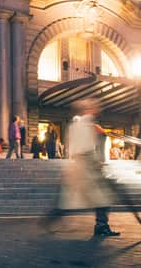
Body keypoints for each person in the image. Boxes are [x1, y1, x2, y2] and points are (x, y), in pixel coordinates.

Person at [47, 99, 120, 237]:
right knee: (103, 197)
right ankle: (101, 226)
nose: (97, 109)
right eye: (93, 107)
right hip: (86, 167)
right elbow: (85, 149)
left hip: (79, 167)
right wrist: (96, 163)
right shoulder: (86, 125)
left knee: (74, 200)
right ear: (88, 110)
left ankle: (54, 215)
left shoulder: (76, 125)